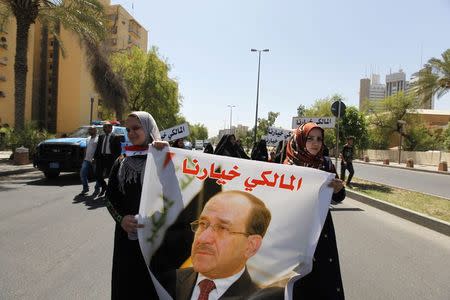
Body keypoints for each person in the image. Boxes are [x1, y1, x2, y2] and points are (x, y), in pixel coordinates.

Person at [164, 190, 271, 300]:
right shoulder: (163, 283)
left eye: (222, 228)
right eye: (202, 224)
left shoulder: (256, 297)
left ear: (251, 246)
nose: (203, 238)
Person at [105, 111, 167, 299]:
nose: (131, 133)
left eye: (136, 128)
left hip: (157, 240)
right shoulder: (121, 161)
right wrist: (121, 219)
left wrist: (169, 154)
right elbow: (109, 199)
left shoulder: (163, 159)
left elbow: (179, 192)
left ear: (148, 129)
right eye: (128, 129)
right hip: (128, 241)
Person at [284, 122, 345, 299]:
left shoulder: (325, 165)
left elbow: (337, 197)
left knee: (323, 278)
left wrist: (338, 190)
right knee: (299, 280)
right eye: (310, 138)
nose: (315, 143)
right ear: (300, 140)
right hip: (296, 232)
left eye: (319, 139)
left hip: (322, 230)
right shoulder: (288, 167)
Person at [94, 122, 122, 196]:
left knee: (111, 176)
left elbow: (118, 150)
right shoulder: (101, 136)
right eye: (104, 127)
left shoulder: (115, 137)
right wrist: (95, 157)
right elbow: (98, 148)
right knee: (98, 175)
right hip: (101, 157)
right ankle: (104, 186)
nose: (104, 129)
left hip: (110, 158)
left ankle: (110, 191)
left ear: (110, 128)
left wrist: (117, 160)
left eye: (106, 127)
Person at [79, 126, 100, 195]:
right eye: (89, 130)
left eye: (91, 130)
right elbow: (86, 148)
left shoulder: (98, 139)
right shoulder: (88, 138)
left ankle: (97, 189)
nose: (89, 131)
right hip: (86, 159)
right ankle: (85, 188)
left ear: (95, 131)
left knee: (97, 175)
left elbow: (99, 150)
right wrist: (84, 157)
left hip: (95, 160)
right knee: (82, 173)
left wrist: (96, 158)